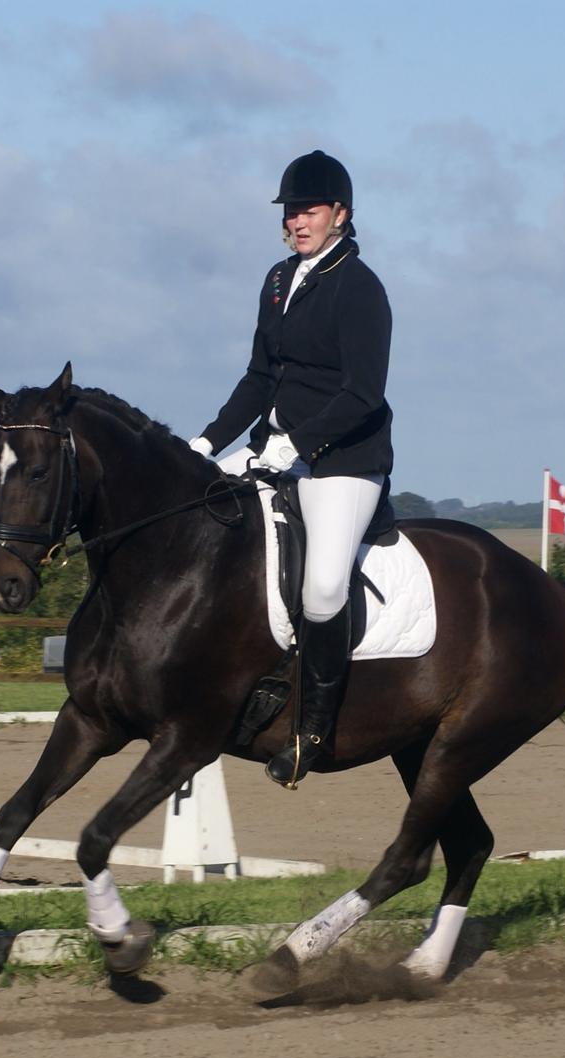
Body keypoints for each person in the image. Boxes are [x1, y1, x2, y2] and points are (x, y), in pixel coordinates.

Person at [188, 149, 394, 787]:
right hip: (275, 454)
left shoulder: (360, 288)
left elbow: (362, 394)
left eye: (309, 210)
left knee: (324, 587)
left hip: (345, 464)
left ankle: (316, 732)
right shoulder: (278, 281)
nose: (297, 220)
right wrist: (207, 442)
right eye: (291, 211)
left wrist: (295, 445)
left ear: (340, 213)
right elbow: (259, 377)